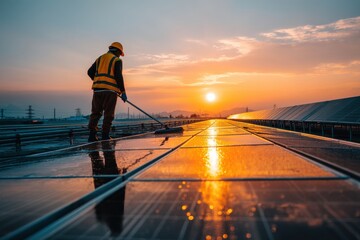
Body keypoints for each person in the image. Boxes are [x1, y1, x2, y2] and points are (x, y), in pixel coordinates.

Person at [87, 42, 128, 142]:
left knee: (95, 113)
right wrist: (123, 91)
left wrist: (99, 81)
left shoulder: (100, 58)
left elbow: (89, 72)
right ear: (118, 51)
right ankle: (105, 136)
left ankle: (92, 136)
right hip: (110, 92)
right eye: (120, 53)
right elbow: (119, 76)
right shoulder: (116, 60)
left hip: (97, 90)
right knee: (108, 114)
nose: (120, 55)